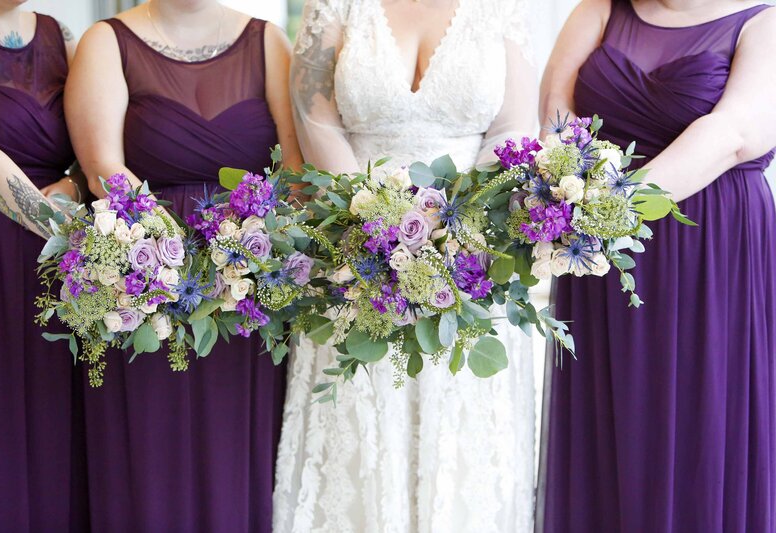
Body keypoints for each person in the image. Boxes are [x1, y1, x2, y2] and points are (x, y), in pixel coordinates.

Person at [274, 1, 538, 531]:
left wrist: (454, 229)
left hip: (469, 260)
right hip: (354, 259)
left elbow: (514, 128)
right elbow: (314, 117)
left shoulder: (500, 9)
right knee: (359, 428)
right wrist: (374, 224)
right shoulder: (338, 7)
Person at [538, 1, 776, 531]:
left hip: (711, 249)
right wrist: (566, 187)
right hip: (602, 256)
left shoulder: (762, 21)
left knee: (702, 419)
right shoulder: (600, 8)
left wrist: (610, 211)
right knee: (615, 420)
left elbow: (731, 135)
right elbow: (555, 105)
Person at [65, 0, 301, 530]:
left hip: (247, 279)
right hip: (143, 276)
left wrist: (247, 247)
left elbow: (293, 165)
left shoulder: (269, 42)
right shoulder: (106, 41)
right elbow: (103, 167)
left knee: (235, 445)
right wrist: (170, 252)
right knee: (149, 445)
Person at [0, 1, 88, 530]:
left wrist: (73, 186)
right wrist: (58, 227)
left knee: (55, 403)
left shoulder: (60, 35)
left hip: (62, 249)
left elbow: (89, 144)